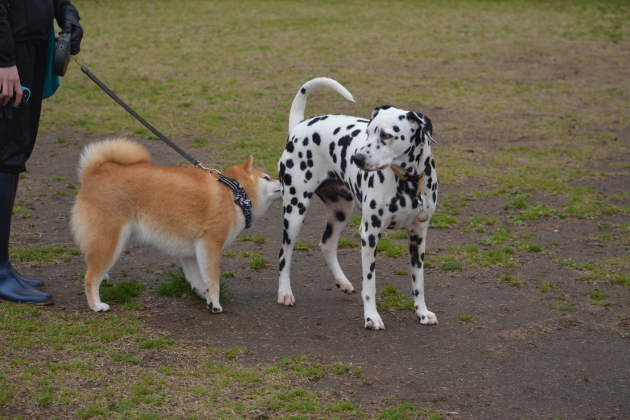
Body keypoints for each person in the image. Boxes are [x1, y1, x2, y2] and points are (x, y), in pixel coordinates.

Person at [0, 0, 83, 304]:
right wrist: (4, 60)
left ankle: (2, 264)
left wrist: (67, 15)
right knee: (6, 151)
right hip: (11, 49)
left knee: (17, 149)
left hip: (34, 43)